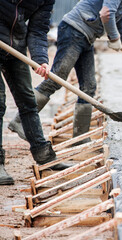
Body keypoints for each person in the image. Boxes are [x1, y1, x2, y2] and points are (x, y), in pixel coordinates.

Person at [8, 0, 122, 145]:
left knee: (89, 87)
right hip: (73, 30)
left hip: (86, 36)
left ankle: (80, 138)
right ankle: (19, 121)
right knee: (55, 79)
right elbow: (106, 13)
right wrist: (113, 38)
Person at [0, 0, 69, 185]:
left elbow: (38, 30)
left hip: (15, 49)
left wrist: (40, 59)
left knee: (28, 101)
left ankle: (44, 156)